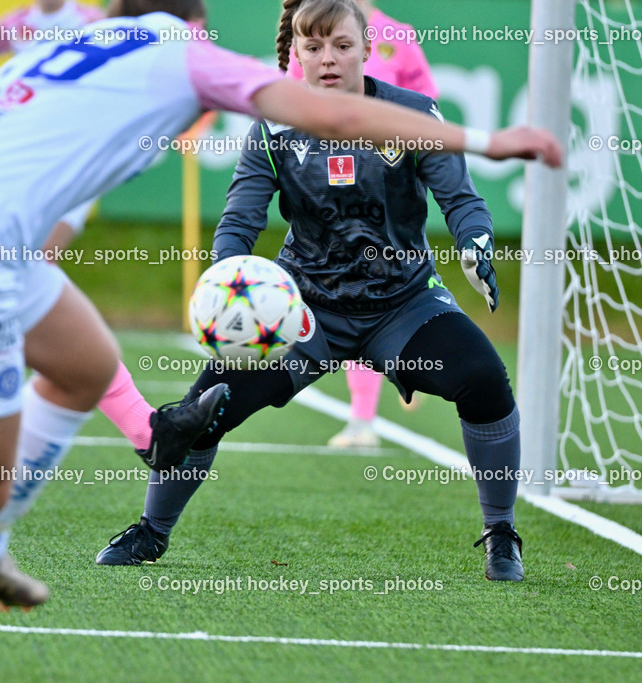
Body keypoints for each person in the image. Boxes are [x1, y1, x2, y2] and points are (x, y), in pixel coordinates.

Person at [0, 0, 559, 667]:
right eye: (310, 43)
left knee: (85, 364)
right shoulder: (188, 55)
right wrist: (489, 140)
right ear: (198, 23)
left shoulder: (86, 45)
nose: (323, 56)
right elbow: (329, 118)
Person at [94, 0, 530, 585]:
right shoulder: (272, 128)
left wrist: (475, 241)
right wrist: (225, 274)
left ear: (368, 49)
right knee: (206, 407)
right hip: (302, 313)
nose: (329, 59)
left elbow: (462, 198)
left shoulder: (413, 113)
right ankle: (151, 531)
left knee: (484, 378)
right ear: (295, 52)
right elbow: (240, 218)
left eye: (342, 46)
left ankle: (500, 532)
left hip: (403, 306)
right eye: (315, 47)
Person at [288, 0, 440, 450]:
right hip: (329, 181)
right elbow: (294, 102)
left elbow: (426, 103)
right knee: (351, 284)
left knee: (386, 280)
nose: (328, 56)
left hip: (388, 186)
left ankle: (401, 373)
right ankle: (364, 414)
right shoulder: (314, 31)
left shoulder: (400, 35)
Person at [0, 0, 106, 252]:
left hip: (76, 151)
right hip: (27, 151)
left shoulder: (93, 22)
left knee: (45, 254)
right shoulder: (17, 23)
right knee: (11, 251)